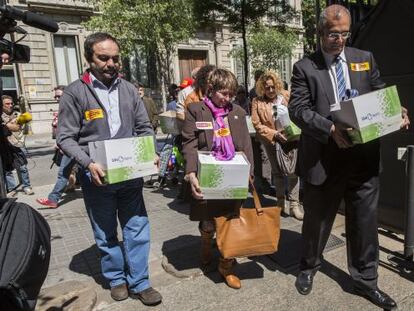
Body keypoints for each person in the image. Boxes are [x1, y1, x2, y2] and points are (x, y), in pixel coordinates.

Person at [288, 5, 410, 310]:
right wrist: (329, 128)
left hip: (363, 159)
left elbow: (379, 91)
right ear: (319, 33)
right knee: (317, 222)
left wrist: (395, 109)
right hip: (324, 159)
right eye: (333, 34)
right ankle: (308, 266)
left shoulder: (363, 59)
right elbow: (298, 110)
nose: (339, 40)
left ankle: (366, 281)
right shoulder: (305, 67)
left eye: (344, 34)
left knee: (365, 224)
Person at [57, 32, 162, 306]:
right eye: (103, 58)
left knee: (137, 227)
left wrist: (150, 152)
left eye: (115, 58)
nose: (110, 63)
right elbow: (65, 138)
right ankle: (116, 278)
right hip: (97, 178)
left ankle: (140, 282)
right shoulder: (75, 92)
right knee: (105, 232)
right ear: (89, 58)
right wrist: (88, 163)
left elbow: (144, 128)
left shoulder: (128, 89)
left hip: (130, 176)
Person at [182, 68, 254, 289]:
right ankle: (206, 243)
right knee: (208, 222)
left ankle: (226, 266)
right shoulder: (196, 110)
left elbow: (246, 144)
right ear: (211, 89)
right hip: (207, 176)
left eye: (231, 94)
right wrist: (191, 173)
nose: (228, 99)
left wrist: (250, 174)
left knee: (230, 222)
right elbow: (189, 143)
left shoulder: (238, 112)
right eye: (224, 93)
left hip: (233, 176)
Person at [251, 71, 303, 220]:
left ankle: (294, 205)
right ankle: (280, 203)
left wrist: (292, 130)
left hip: (290, 139)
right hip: (271, 141)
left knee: (293, 172)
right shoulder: (257, 101)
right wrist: (274, 133)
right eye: (267, 88)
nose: (271, 90)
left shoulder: (286, 95)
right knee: (277, 172)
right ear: (262, 88)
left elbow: (297, 112)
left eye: (273, 87)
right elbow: (257, 124)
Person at [37, 86, 79, 209]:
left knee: (63, 173)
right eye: (55, 96)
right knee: (73, 172)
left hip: (72, 146)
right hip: (68, 145)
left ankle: (53, 199)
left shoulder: (71, 108)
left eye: (59, 96)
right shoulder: (64, 108)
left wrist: (64, 142)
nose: (56, 98)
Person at [1, 95, 34, 197]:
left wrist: (8, 124)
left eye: (11, 103)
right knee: (7, 168)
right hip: (5, 145)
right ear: (2, 105)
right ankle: (12, 188)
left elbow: (18, 127)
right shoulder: (1, 116)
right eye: (7, 104)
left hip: (18, 144)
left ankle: (26, 186)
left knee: (22, 166)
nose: (10, 105)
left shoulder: (17, 114)